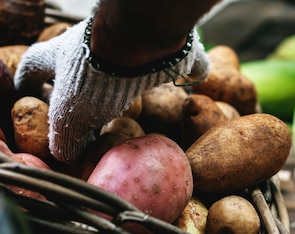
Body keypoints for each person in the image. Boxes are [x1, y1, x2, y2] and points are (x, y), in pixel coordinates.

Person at [14, 0, 223, 163]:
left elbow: (66, 154)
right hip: (97, 67)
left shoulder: (81, 96)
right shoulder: (78, 97)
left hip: (100, 69)